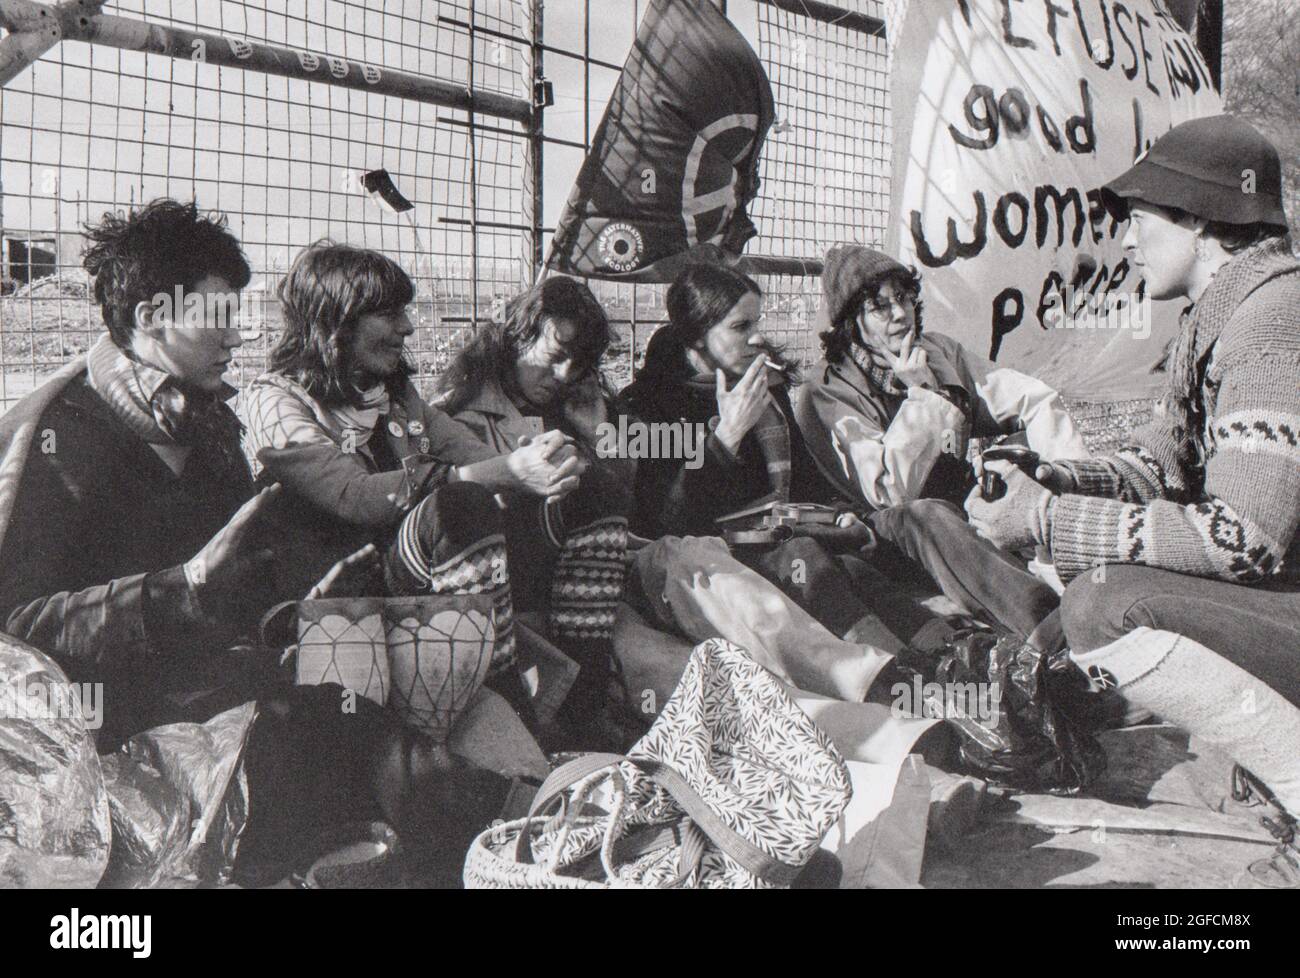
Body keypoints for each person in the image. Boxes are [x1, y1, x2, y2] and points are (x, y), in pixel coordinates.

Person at [0, 201, 494, 885]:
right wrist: (185, 586)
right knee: (344, 737)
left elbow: (241, 573)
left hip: (218, 690)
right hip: (110, 735)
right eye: (217, 316)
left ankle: (504, 830)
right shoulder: (57, 444)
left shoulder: (207, 427)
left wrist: (296, 598)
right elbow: (17, 631)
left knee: (363, 711)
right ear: (152, 317)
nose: (238, 337)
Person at [964, 115, 1300, 883]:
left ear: (1199, 220)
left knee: (1104, 605)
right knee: (1074, 618)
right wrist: (1054, 477)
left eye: (1138, 219)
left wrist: (1043, 521)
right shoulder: (1222, 316)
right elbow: (1159, 465)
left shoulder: (1275, 322)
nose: (1123, 241)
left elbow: (1246, 538)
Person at [246, 246, 634, 747]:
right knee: (461, 502)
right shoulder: (275, 398)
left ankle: (587, 703)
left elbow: (472, 453)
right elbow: (352, 496)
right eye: (390, 314)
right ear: (335, 320)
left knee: (591, 490)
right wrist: (502, 472)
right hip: (344, 590)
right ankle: (505, 695)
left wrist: (556, 458)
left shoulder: (397, 396)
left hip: (418, 567)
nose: (407, 328)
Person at [614, 261, 935, 671]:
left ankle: (952, 654)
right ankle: (898, 672)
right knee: (806, 560)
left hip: (786, 537)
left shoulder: (763, 385)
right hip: (714, 569)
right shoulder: (647, 406)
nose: (758, 337)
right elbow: (666, 523)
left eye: (757, 322)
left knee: (856, 566)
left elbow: (802, 482)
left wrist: (837, 515)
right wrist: (725, 438)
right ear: (696, 336)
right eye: (740, 327)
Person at [795, 245, 1091, 640]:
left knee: (1022, 458)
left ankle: (1085, 552)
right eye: (879, 307)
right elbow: (889, 493)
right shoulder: (827, 388)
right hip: (883, 534)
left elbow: (1034, 401)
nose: (899, 314)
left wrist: (1071, 484)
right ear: (852, 322)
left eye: (902, 298)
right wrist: (922, 393)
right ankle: (1053, 626)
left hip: (959, 505)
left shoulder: (938, 351)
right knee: (927, 515)